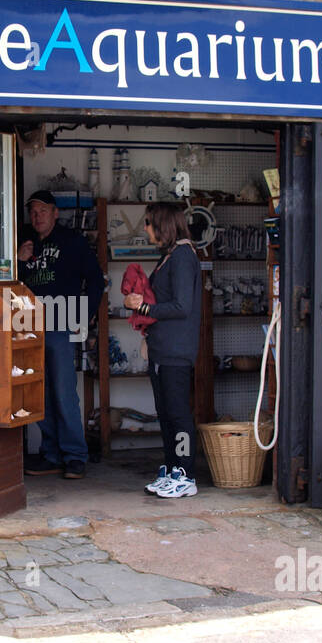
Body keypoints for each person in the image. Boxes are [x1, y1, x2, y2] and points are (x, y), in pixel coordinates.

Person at [18, 189, 105, 480]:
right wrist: (19, 260)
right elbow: (5, 277)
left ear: (56, 213)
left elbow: (95, 278)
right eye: (33, 211)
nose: (37, 216)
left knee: (64, 392)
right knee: (37, 392)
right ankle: (51, 454)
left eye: (43, 210)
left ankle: (75, 455)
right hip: (27, 325)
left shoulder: (72, 241)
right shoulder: (23, 240)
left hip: (61, 321)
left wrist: (88, 312)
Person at [124, 202, 202, 498]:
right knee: (166, 413)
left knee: (178, 414)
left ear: (163, 224)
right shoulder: (169, 256)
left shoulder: (182, 255)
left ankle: (185, 474)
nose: (145, 228)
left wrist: (143, 306)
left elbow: (183, 306)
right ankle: (171, 469)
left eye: (148, 222)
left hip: (176, 351)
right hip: (161, 349)